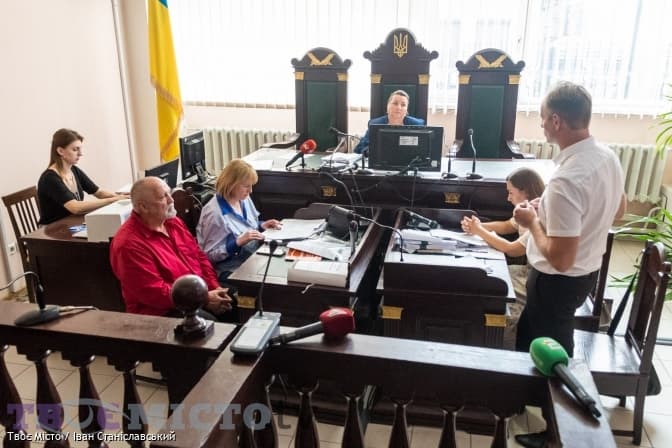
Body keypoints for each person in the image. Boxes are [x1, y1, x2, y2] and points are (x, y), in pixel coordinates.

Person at [513, 81, 626, 357]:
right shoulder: (607, 156)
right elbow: (619, 209)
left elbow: (561, 260)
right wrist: (548, 209)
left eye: (542, 118)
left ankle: (554, 387)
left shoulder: (566, 180)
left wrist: (532, 222)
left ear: (556, 121)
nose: (541, 125)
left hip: (556, 283)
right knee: (528, 340)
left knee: (552, 355)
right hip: (585, 274)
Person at [110, 177, 234, 320]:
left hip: (197, 291)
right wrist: (204, 298)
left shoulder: (173, 222)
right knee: (210, 324)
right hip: (161, 311)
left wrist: (214, 287)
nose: (171, 200)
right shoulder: (129, 244)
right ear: (143, 207)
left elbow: (199, 256)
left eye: (169, 193)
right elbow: (154, 292)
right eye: (163, 197)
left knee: (237, 299)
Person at [460, 167, 545, 349]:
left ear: (525, 192)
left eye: (511, 193)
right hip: (526, 271)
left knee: (493, 287)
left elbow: (511, 249)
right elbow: (507, 226)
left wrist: (479, 231)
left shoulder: (538, 216)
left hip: (534, 277)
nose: (508, 198)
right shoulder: (525, 209)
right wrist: (478, 225)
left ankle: (500, 341)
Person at [197, 159, 282, 281]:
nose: (250, 191)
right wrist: (237, 243)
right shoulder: (214, 213)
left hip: (251, 257)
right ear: (231, 184)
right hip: (229, 269)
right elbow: (208, 256)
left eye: (251, 186)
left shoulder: (243, 198)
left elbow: (249, 226)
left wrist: (262, 225)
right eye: (246, 186)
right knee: (273, 280)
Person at [37, 128, 128, 225]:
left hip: (71, 223)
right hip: (52, 229)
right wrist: (113, 200)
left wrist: (123, 197)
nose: (80, 154)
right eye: (75, 149)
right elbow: (75, 207)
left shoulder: (74, 170)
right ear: (60, 151)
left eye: (80, 149)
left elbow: (98, 192)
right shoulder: (50, 178)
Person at [353, 90, 425, 154]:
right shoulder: (375, 124)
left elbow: (423, 148)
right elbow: (359, 148)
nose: (399, 107)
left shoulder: (417, 125)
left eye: (403, 105)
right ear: (388, 106)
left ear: (406, 110)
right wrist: (371, 151)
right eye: (395, 103)